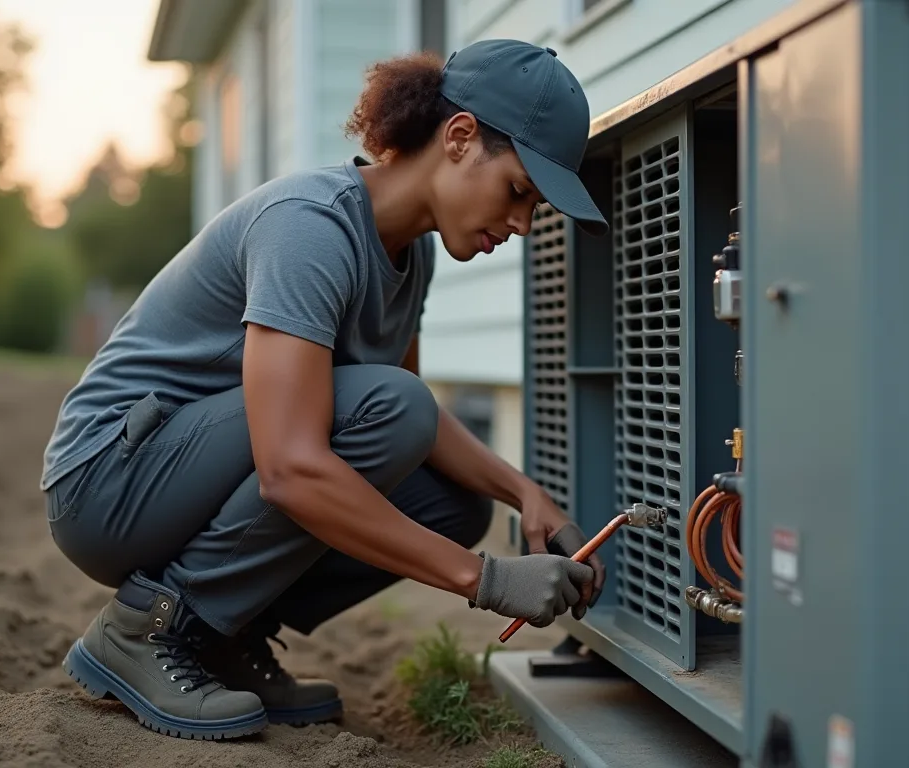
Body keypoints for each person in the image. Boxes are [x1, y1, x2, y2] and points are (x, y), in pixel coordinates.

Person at [40, 38, 610, 741]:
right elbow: (293, 467)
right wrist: (487, 579)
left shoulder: (412, 256)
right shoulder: (311, 227)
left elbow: (411, 424)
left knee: (452, 503)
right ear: (460, 138)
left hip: (182, 476)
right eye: (519, 191)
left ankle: (224, 635)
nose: (523, 224)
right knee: (390, 413)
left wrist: (522, 493)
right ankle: (149, 628)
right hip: (107, 481)